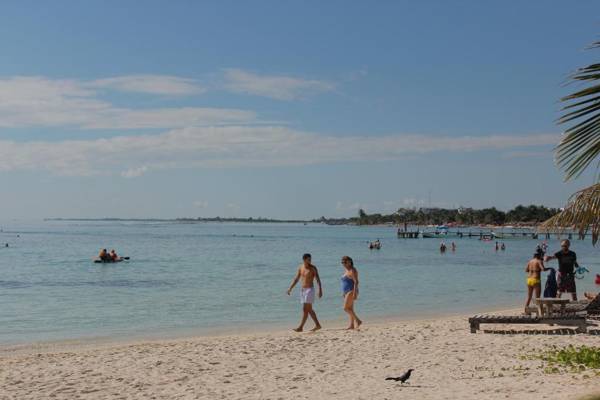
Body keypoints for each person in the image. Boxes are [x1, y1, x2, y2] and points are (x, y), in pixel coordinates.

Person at [287, 253, 323, 332]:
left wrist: (320, 290)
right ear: (304, 259)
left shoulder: (313, 268)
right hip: (303, 290)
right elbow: (296, 279)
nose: (310, 261)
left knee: (308, 309)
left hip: (310, 290)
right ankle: (312, 325)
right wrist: (290, 288)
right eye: (308, 260)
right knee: (305, 309)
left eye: (310, 259)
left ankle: (304, 327)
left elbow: (318, 279)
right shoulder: (301, 267)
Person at [340, 256, 362, 330]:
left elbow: (356, 282)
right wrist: (343, 292)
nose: (343, 264)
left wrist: (355, 292)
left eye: (345, 262)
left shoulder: (353, 270)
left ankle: (358, 320)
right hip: (346, 291)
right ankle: (352, 325)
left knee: (345, 308)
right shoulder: (346, 270)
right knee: (350, 309)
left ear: (349, 262)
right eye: (342, 262)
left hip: (351, 290)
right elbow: (345, 282)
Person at [525, 249, 548, 313]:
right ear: (540, 255)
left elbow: (526, 270)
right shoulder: (539, 261)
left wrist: (532, 270)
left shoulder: (530, 261)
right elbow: (543, 269)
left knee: (529, 297)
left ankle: (526, 311)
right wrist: (550, 268)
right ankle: (539, 312)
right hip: (536, 280)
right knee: (538, 298)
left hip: (529, 279)